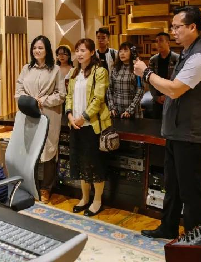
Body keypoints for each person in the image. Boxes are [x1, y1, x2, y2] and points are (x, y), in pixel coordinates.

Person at [134, 5, 201, 239]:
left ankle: (194, 238)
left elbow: (174, 89)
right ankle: (168, 227)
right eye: (172, 27)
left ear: (193, 27)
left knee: (190, 191)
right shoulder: (187, 53)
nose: (173, 31)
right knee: (172, 187)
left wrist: (146, 73)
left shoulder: (200, 56)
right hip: (176, 131)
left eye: (177, 27)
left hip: (190, 133)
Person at [15, 35, 66, 203]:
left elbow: (61, 95)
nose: (37, 51)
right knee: (31, 151)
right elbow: (18, 90)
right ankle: (32, 185)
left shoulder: (55, 70)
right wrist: (29, 101)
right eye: (35, 48)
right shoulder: (26, 68)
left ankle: (46, 187)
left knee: (48, 151)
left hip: (48, 114)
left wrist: (43, 100)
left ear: (47, 50)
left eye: (40, 48)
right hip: (29, 115)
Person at [65, 38, 111, 217]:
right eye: (77, 50)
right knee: (81, 164)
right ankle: (84, 198)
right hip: (75, 125)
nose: (79, 53)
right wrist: (70, 115)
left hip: (92, 125)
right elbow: (69, 96)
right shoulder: (74, 72)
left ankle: (97, 200)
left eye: (83, 50)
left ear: (92, 52)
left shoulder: (100, 71)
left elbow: (98, 99)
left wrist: (83, 117)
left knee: (94, 165)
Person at [107, 42, 144, 119]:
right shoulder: (115, 69)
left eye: (125, 51)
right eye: (120, 51)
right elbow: (109, 89)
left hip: (133, 112)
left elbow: (140, 90)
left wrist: (129, 110)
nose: (122, 53)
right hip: (116, 112)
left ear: (132, 53)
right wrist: (111, 107)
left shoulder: (137, 68)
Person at [148, 32, 179, 119]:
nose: (158, 43)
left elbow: (178, 80)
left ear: (168, 43)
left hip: (173, 99)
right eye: (156, 41)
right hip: (157, 100)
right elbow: (149, 80)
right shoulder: (153, 60)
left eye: (161, 40)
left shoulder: (177, 59)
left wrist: (167, 96)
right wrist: (156, 97)